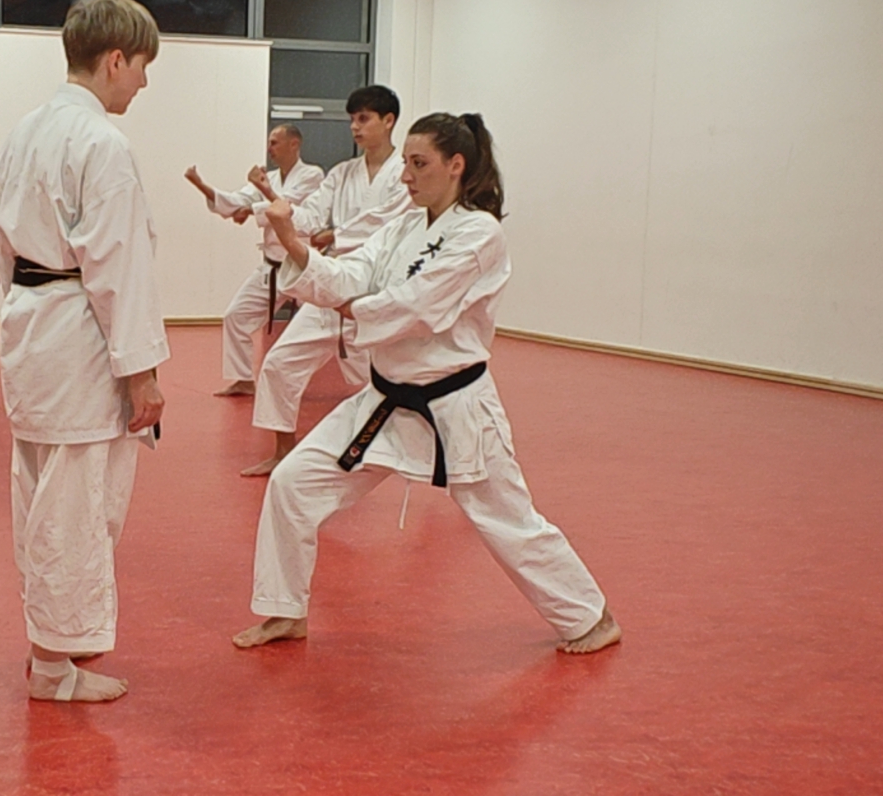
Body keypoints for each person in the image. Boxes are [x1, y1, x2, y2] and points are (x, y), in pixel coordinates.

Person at [232, 111, 620, 655]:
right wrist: (292, 241)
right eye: (406, 164)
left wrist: (349, 306)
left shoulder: (480, 234)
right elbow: (354, 271)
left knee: (508, 520)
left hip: (454, 406)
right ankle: (283, 611)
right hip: (385, 402)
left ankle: (589, 617)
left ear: (456, 165)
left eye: (419, 164)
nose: (406, 177)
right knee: (293, 483)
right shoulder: (405, 225)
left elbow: (417, 307)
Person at [0, 0, 167, 704]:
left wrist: (28, 300)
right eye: (143, 67)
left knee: (40, 495)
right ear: (115, 59)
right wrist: (142, 376)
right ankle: (55, 667)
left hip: (31, 321)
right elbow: (120, 269)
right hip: (81, 334)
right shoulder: (103, 145)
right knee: (77, 507)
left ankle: (49, 651)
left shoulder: (27, 129)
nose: (143, 85)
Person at [242, 86, 411, 476]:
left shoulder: (404, 173)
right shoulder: (342, 173)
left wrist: (337, 235)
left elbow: (386, 220)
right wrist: (280, 212)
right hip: (331, 283)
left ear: (389, 121)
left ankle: (426, 454)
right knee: (280, 364)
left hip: (375, 288)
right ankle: (284, 450)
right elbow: (310, 216)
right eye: (352, 119)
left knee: (391, 380)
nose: (355, 126)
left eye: (364, 118)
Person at [183, 125, 326, 397]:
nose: (269, 148)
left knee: (325, 325)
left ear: (294, 144)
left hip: (305, 267)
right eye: (269, 143)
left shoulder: (312, 175)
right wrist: (200, 184)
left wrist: (256, 200)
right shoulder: (269, 178)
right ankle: (244, 379)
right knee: (236, 316)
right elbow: (237, 201)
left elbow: (287, 206)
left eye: (275, 143)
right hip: (273, 266)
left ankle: (360, 380)